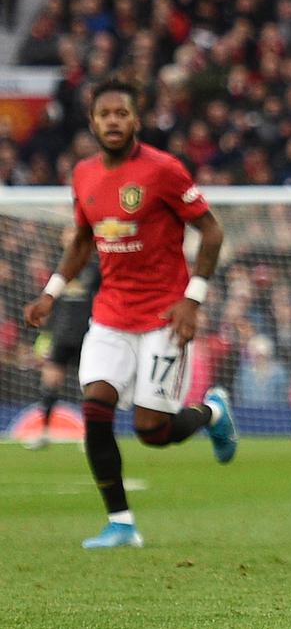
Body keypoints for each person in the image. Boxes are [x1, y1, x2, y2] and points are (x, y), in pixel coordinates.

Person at [23, 78, 238, 549]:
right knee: (95, 406)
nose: (114, 122)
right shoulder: (83, 175)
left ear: (136, 119)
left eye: (122, 113)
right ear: (93, 122)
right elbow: (83, 238)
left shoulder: (163, 170)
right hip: (111, 316)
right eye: (105, 115)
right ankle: (121, 522)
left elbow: (212, 232)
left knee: (152, 431)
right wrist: (51, 293)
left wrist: (192, 299)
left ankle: (211, 413)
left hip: (164, 318)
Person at [26, 227, 101, 450]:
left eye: (73, 236)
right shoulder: (58, 272)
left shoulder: (95, 270)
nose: (69, 240)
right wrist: (46, 335)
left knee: (89, 388)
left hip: (87, 335)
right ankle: (44, 432)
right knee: (49, 385)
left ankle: (92, 435)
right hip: (60, 335)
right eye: (66, 235)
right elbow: (52, 307)